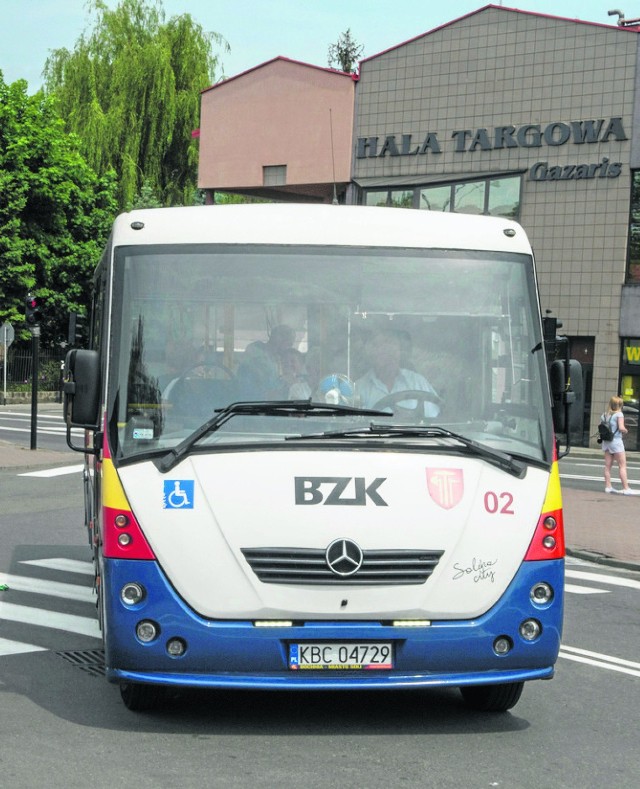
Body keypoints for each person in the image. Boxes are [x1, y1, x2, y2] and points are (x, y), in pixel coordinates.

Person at [355, 329, 440, 417]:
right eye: (379, 347)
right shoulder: (359, 389)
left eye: (391, 346)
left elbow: (438, 419)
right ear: (372, 354)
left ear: (400, 353)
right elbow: (353, 423)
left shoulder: (418, 382)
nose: (387, 350)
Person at [237, 324, 296, 400]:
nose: (289, 348)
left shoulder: (276, 360)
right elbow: (262, 386)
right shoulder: (255, 352)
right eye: (289, 344)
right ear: (279, 340)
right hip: (250, 403)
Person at [601, 395, 639, 495]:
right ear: (619, 405)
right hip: (616, 442)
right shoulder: (619, 415)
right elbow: (621, 428)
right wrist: (626, 430)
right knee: (622, 466)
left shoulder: (604, 415)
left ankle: (608, 487)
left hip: (606, 442)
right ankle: (626, 488)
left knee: (607, 466)